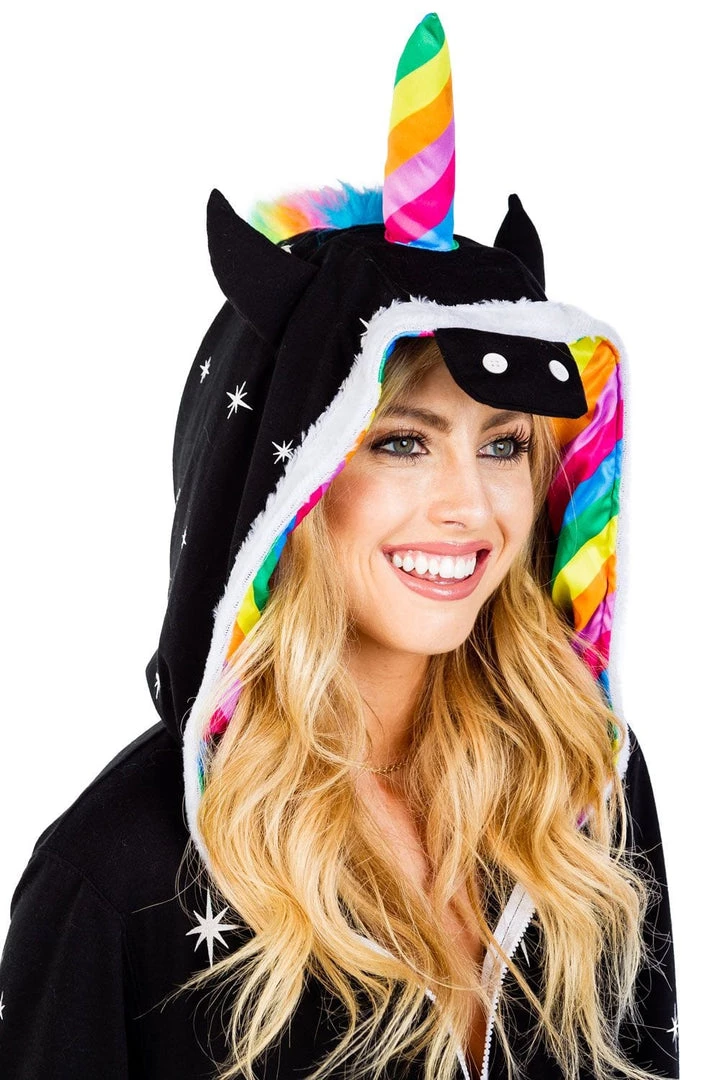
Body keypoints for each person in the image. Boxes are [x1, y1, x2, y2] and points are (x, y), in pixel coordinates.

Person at [0, 13, 678, 1080]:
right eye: (402, 442)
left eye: (503, 445)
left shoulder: (582, 788)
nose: (470, 508)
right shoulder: (120, 878)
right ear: (290, 486)